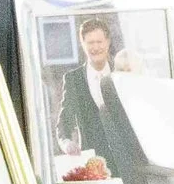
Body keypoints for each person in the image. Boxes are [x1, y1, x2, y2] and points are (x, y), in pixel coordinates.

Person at [55, 12, 137, 160]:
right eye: (90, 43)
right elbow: (64, 122)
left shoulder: (122, 73)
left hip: (128, 160)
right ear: (82, 44)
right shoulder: (73, 79)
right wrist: (66, 143)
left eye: (99, 42)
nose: (95, 47)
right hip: (93, 162)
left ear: (108, 42)